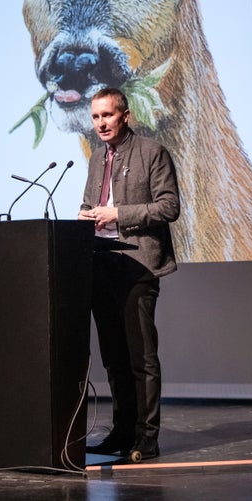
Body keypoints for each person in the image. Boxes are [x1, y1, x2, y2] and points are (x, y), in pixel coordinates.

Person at [78, 88, 179, 461]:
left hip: (138, 266)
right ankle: (121, 432)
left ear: (125, 115)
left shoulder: (152, 152)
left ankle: (146, 437)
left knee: (141, 358)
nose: (101, 123)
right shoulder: (96, 158)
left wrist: (118, 214)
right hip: (101, 265)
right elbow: (91, 203)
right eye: (95, 117)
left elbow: (169, 206)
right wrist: (85, 214)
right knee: (113, 358)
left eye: (107, 115)